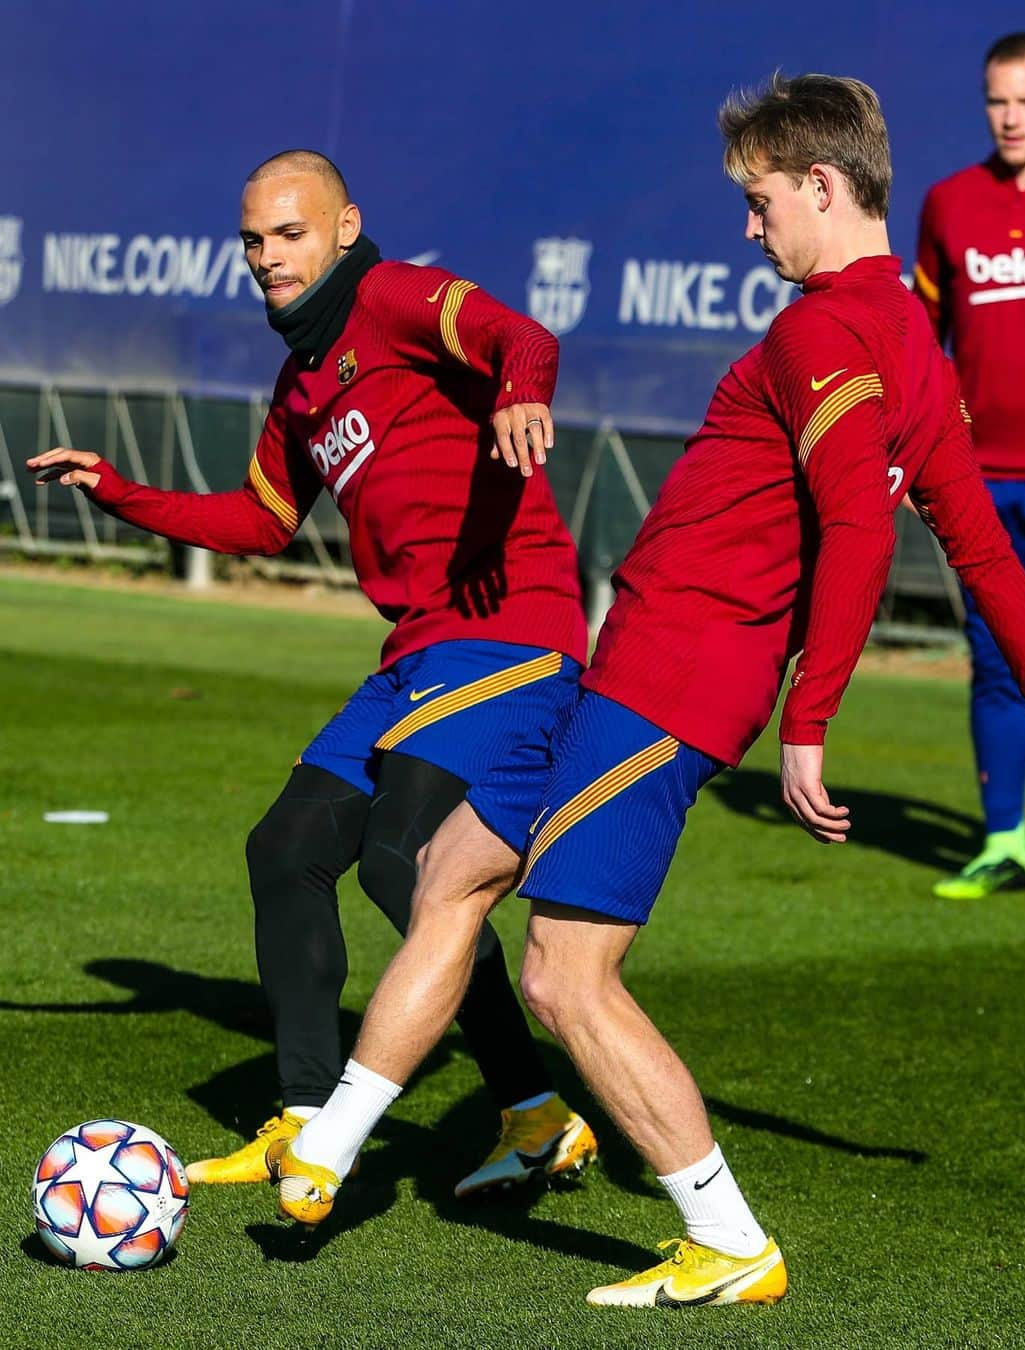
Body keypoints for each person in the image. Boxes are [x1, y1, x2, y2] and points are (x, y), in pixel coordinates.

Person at [266, 76, 1025, 1310]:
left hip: (675, 690)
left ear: (820, 186)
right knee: (447, 872)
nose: (749, 231)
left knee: (563, 977)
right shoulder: (912, 338)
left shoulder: (825, 331)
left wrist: (812, 724)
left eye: (759, 203)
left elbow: (865, 528)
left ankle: (728, 1240)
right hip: (622, 672)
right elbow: (983, 556)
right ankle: (325, 1149)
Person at [28, 149, 598, 1198]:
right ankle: (301, 1114)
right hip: (417, 650)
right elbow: (258, 519)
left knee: (405, 859)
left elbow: (524, 335)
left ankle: (533, 1109)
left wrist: (520, 394)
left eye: (289, 234)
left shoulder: (392, 298)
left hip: (512, 628)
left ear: (344, 228)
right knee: (286, 847)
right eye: (252, 240)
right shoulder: (300, 381)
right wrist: (118, 491)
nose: (267, 257)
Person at [915, 33, 1025, 901]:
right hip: (982, 480)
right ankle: (1005, 843)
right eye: (995, 101)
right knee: (998, 659)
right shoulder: (950, 202)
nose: (1009, 117)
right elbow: (922, 343)